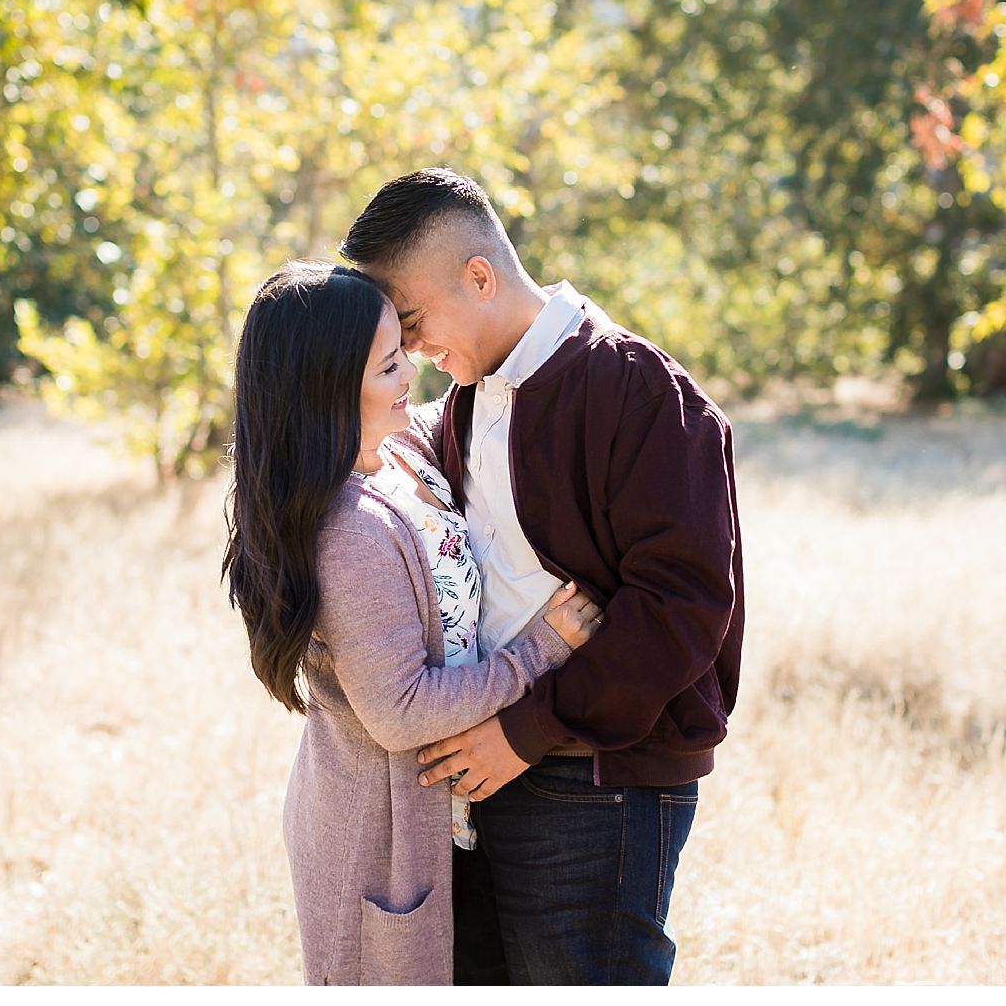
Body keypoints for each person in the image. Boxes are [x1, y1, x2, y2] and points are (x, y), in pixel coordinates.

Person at [340, 167, 745, 985]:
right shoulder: (465, 396)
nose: (410, 352)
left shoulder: (639, 390)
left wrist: (523, 733)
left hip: (597, 777)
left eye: (413, 323)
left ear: (480, 276)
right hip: (482, 777)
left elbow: (684, 606)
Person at [220, 259, 604, 985]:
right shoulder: (351, 532)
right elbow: (402, 711)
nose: (412, 377)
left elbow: (489, 388)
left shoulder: (394, 452)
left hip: (433, 824)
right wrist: (540, 650)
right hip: (379, 838)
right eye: (391, 364)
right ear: (328, 390)